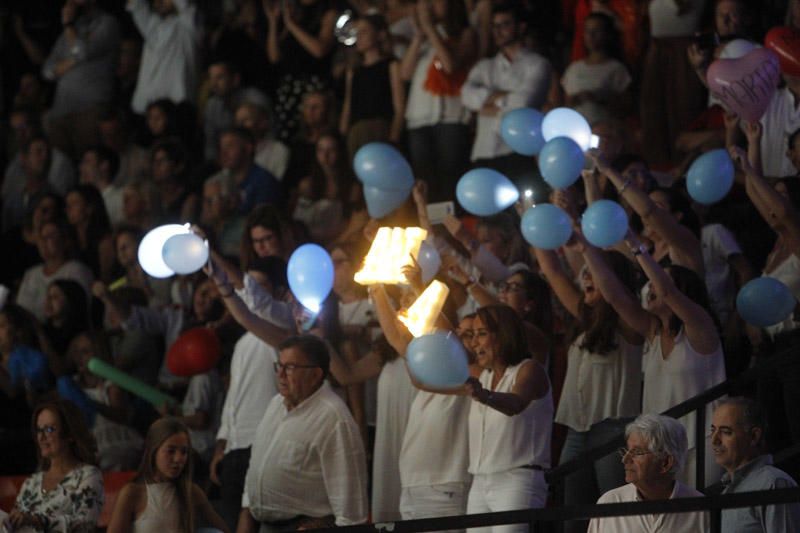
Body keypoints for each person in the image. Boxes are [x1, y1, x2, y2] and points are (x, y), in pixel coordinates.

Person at [579, 227, 725, 486]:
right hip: (659, 449)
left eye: (661, 280)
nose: (652, 288)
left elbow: (668, 292)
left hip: (700, 443)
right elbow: (613, 295)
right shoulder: (653, 332)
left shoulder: (701, 327)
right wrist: (585, 247)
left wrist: (637, 246)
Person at [237, 335, 368, 531]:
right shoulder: (275, 404)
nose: (280, 374)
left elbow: (350, 507)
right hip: (262, 524)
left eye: (290, 368)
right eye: (278, 366)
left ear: (315, 375)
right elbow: (258, 461)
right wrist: (247, 509)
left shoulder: (333, 419)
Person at [461, 2, 551, 179]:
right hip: (484, 151)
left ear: (521, 27)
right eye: (495, 26)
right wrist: (505, 100)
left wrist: (488, 104)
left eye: (505, 24)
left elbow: (524, 102)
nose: (498, 31)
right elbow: (466, 95)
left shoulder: (537, 64)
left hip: (518, 151)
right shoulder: (484, 66)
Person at [401, 0, 477, 201]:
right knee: (426, 180)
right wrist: (419, 36)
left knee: (450, 178)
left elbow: (450, 65)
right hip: (419, 117)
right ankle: (430, 227)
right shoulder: (424, 38)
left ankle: (453, 227)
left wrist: (430, 29)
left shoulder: (464, 34)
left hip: (450, 117)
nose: (429, 5)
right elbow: (405, 73)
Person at [587, 414, 708, 533]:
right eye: (627, 451)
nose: (625, 459)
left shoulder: (701, 511)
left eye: (637, 452)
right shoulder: (609, 503)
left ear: (665, 462)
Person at [107, 417, 229, 532]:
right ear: (154, 450)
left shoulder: (191, 491)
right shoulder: (132, 493)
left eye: (184, 452)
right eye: (171, 451)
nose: (178, 459)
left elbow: (224, 530)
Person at [4, 399, 103, 532]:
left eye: (49, 429)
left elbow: (85, 525)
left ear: (70, 434)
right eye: (39, 430)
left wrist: (37, 520)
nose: (41, 437)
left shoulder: (88, 475)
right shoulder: (32, 482)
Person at [42, 0, 120, 161]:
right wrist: (74, 59)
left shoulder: (107, 23)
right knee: (60, 167)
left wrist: (69, 25)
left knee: (90, 163)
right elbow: (47, 70)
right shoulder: (68, 33)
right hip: (61, 110)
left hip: (90, 109)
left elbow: (82, 52)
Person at [712, 398, 800, 532]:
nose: (714, 440)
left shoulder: (773, 484)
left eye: (725, 432)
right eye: (713, 430)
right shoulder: (727, 491)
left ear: (754, 436)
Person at [339, 14, 406, 157]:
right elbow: (349, 103)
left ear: (380, 34)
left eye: (364, 31)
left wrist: (394, 136)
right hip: (357, 129)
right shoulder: (354, 71)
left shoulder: (391, 65)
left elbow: (399, 106)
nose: (359, 37)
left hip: (380, 128)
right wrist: (343, 131)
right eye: (357, 33)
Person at [127, 0, 200, 115]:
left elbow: (186, 7)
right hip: (147, 107)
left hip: (177, 108)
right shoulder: (153, 24)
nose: (159, 2)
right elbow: (136, 5)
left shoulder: (190, 25)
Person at [16, 219, 93, 322]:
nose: (43, 242)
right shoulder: (30, 274)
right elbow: (20, 311)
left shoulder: (77, 270)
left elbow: (79, 310)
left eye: (49, 237)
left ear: (65, 241)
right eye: (41, 238)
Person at [561, 12, 632, 124]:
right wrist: (575, 100)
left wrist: (599, 99)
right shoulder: (573, 69)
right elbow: (566, 104)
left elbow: (625, 108)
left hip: (605, 132)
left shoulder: (616, 69)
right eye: (588, 31)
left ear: (607, 34)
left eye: (597, 31)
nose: (591, 35)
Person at [207, 127, 282, 215]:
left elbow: (262, 222)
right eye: (222, 147)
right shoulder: (218, 181)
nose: (224, 153)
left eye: (230, 146)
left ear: (248, 148)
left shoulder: (265, 182)